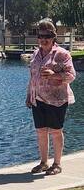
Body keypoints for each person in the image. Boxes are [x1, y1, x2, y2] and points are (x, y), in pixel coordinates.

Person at [26, 20, 76, 175]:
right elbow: (32, 76)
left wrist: (55, 75)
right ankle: (43, 163)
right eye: (40, 35)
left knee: (55, 131)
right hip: (38, 99)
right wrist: (29, 95)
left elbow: (71, 75)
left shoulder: (62, 54)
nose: (43, 39)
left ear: (53, 36)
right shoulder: (35, 54)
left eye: (47, 35)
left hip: (57, 99)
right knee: (41, 131)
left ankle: (57, 164)